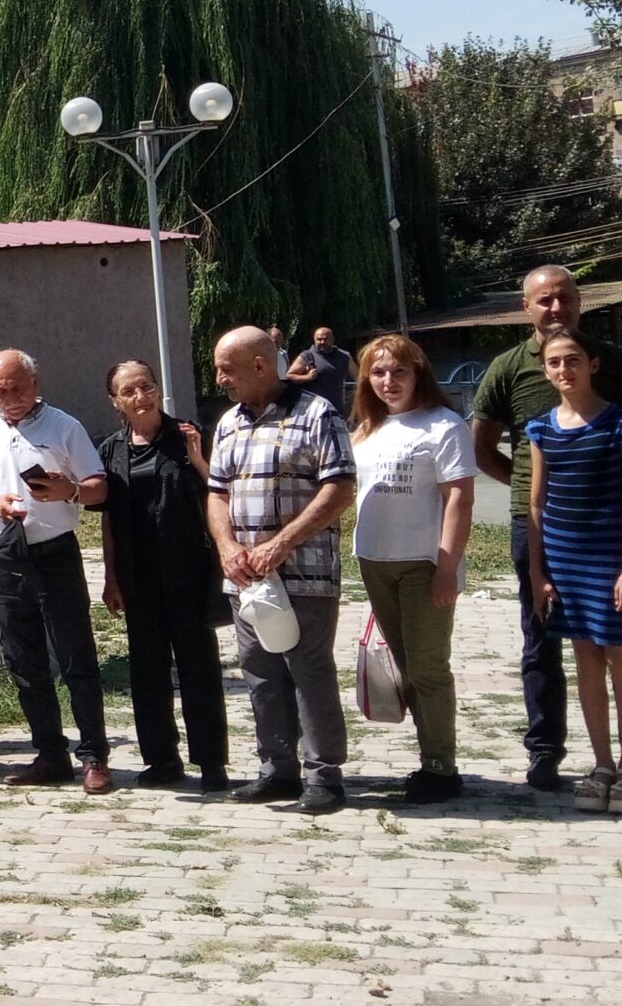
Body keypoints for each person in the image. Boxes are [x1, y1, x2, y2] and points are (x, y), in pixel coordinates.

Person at [471, 265, 622, 793]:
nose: (556, 307)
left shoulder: (611, 361)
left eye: (565, 297)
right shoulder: (508, 366)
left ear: (579, 301)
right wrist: (530, 489)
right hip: (539, 525)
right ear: (526, 307)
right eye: (544, 299)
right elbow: (482, 447)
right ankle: (545, 750)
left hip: (607, 524)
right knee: (541, 638)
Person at [206, 327, 356, 814]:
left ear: (259, 365)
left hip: (305, 572)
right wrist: (227, 546)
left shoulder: (317, 414)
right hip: (246, 576)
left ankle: (324, 776)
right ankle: (277, 768)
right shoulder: (228, 423)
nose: (219, 378)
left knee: (309, 670)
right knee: (260, 671)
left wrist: (282, 543)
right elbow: (217, 493)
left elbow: (340, 488)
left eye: (226, 369)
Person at [0, 350, 112, 791]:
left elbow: (99, 488)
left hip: (54, 554)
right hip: (5, 555)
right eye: (0, 391)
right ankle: (50, 755)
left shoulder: (64, 426)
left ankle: (94, 756)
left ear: (36, 382)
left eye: (18, 388)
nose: (11, 398)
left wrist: (70, 490)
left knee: (75, 657)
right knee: (24, 661)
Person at [528, 330, 622, 816]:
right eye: (555, 362)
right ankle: (601, 764)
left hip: (610, 557)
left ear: (592, 364)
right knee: (584, 655)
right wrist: (537, 572)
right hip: (565, 558)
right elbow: (537, 505)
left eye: (573, 360)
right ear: (546, 371)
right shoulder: (541, 429)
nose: (564, 369)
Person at [348, 335, 475, 805]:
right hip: (374, 561)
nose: (388, 381)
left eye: (398, 371)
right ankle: (428, 758)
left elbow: (459, 498)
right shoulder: (365, 429)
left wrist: (447, 566)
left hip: (424, 563)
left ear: (418, 373)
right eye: (378, 373)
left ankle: (441, 767)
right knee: (404, 667)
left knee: (427, 667)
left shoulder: (444, 425)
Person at [94, 360, 229, 792]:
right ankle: (162, 760)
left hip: (188, 571)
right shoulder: (111, 450)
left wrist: (199, 459)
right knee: (148, 672)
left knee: (198, 668)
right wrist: (111, 576)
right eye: (129, 391)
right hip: (138, 577)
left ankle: (211, 762)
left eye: (147, 387)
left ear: (157, 390)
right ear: (115, 401)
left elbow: (220, 491)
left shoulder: (188, 435)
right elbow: (108, 519)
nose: (141, 397)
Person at [287, 326, 357, 416]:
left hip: (336, 409)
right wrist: (306, 377)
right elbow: (289, 376)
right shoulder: (307, 356)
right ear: (314, 339)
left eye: (325, 339)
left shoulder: (344, 356)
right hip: (312, 411)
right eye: (319, 339)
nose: (322, 342)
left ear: (332, 339)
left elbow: (359, 377)